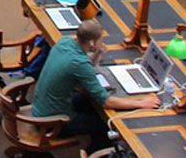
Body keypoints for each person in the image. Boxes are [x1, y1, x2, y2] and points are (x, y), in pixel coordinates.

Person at [30, 20, 159, 150]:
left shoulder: (65, 42)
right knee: (106, 126)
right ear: (92, 42)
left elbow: (83, 69)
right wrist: (141, 103)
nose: (102, 42)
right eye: (100, 40)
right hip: (53, 122)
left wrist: (97, 53)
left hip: (42, 107)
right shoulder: (80, 63)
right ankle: (92, 152)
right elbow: (106, 102)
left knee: (88, 101)